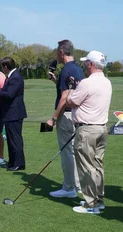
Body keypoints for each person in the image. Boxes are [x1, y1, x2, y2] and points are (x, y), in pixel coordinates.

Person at [67, 51, 112, 214]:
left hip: (87, 129)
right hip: (101, 128)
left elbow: (72, 101)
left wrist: (72, 89)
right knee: (97, 165)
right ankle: (98, 199)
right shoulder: (107, 82)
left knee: (86, 167)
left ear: (90, 64)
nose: (84, 65)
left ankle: (91, 204)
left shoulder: (86, 83)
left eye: (86, 62)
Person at [46, 39, 84, 198]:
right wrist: (56, 80)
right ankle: (77, 185)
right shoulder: (78, 69)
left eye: (57, 52)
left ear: (61, 52)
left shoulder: (65, 70)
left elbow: (64, 98)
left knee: (67, 152)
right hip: (77, 114)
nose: (57, 55)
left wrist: (53, 119)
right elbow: (73, 90)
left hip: (66, 114)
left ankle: (69, 188)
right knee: (75, 151)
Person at [0, 57, 27, 171]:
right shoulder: (10, 77)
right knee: (10, 139)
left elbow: (10, 94)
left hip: (15, 113)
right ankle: (12, 162)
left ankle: (19, 163)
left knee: (15, 139)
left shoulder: (15, 78)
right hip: (10, 113)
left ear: (6, 67)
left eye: (2, 67)